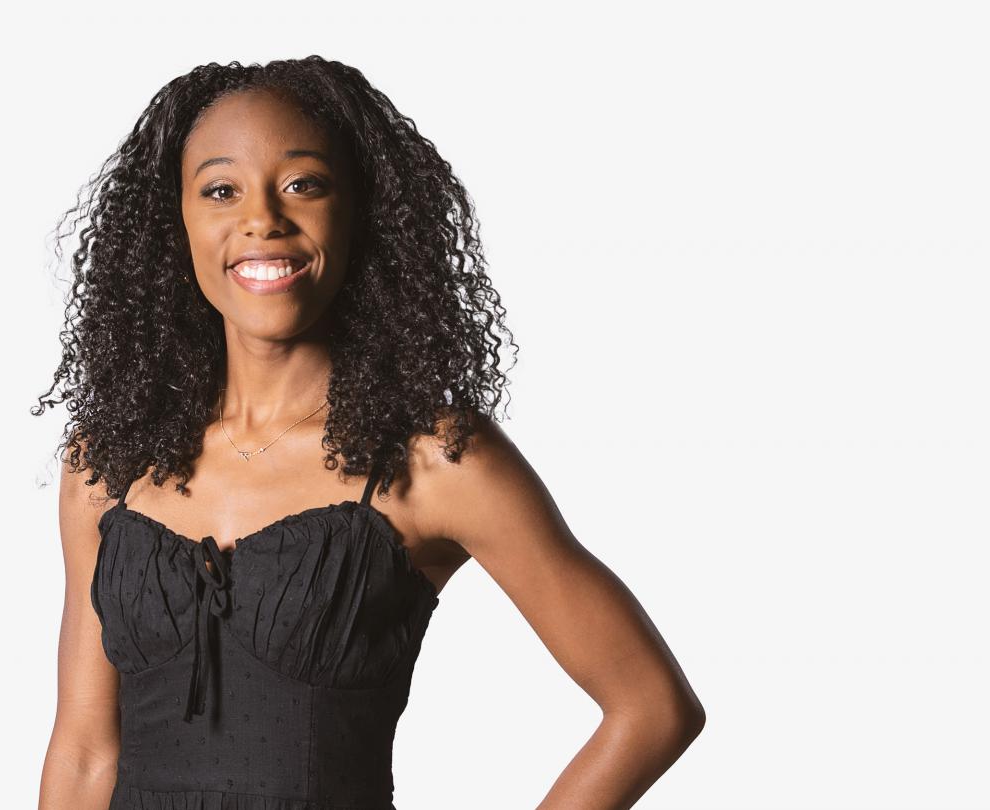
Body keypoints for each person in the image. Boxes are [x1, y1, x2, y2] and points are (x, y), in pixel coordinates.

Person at [34, 55, 704, 809]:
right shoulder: (110, 461)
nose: (262, 218)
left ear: (359, 211)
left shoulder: (433, 461)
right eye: (221, 190)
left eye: (303, 185)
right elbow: (86, 752)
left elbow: (651, 707)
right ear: (174, 223)